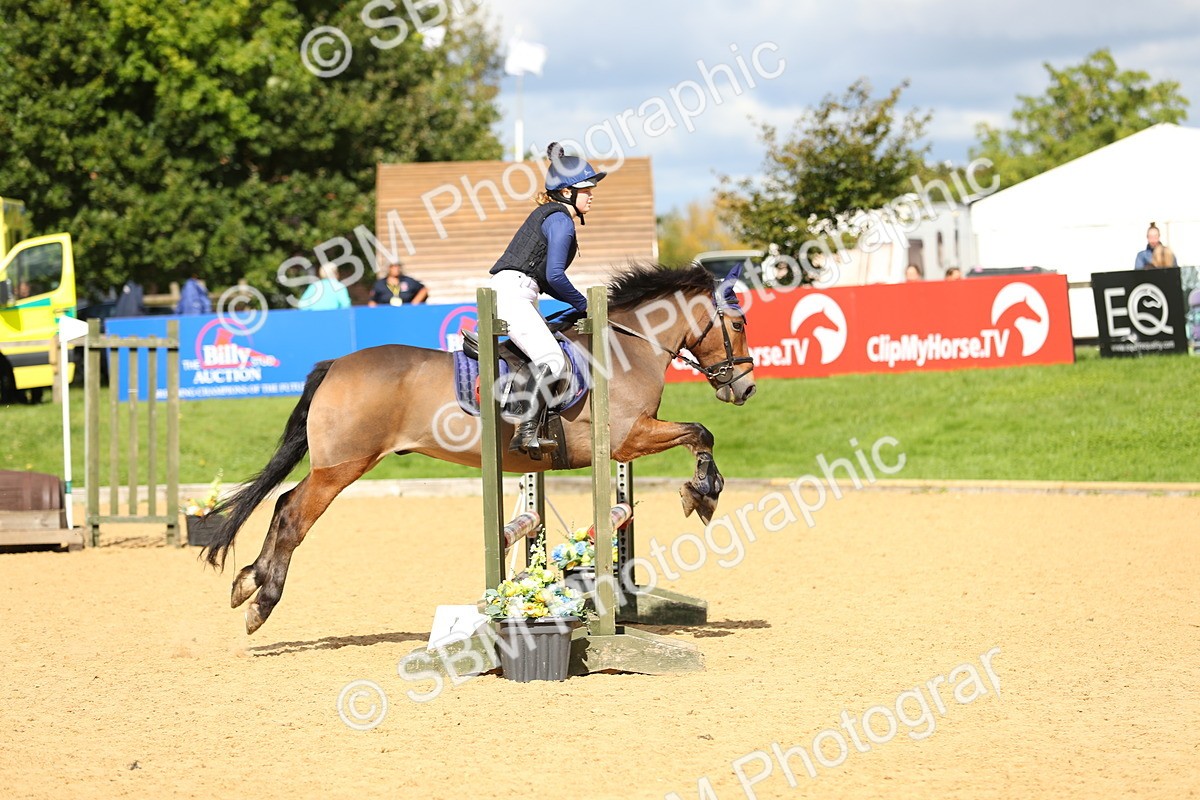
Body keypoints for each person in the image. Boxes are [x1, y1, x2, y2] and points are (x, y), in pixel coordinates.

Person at [488, 141, 605, 457]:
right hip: (514, 292)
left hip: (519, 290)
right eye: (586, 189)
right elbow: (554, 276)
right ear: (567, 192)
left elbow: (546, 279)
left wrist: (576, 304)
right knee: (553, 360)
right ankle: (525, 434)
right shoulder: (561, 219)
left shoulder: (554, 215)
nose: (592, 194)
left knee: (551, 348)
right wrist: (584, 304)